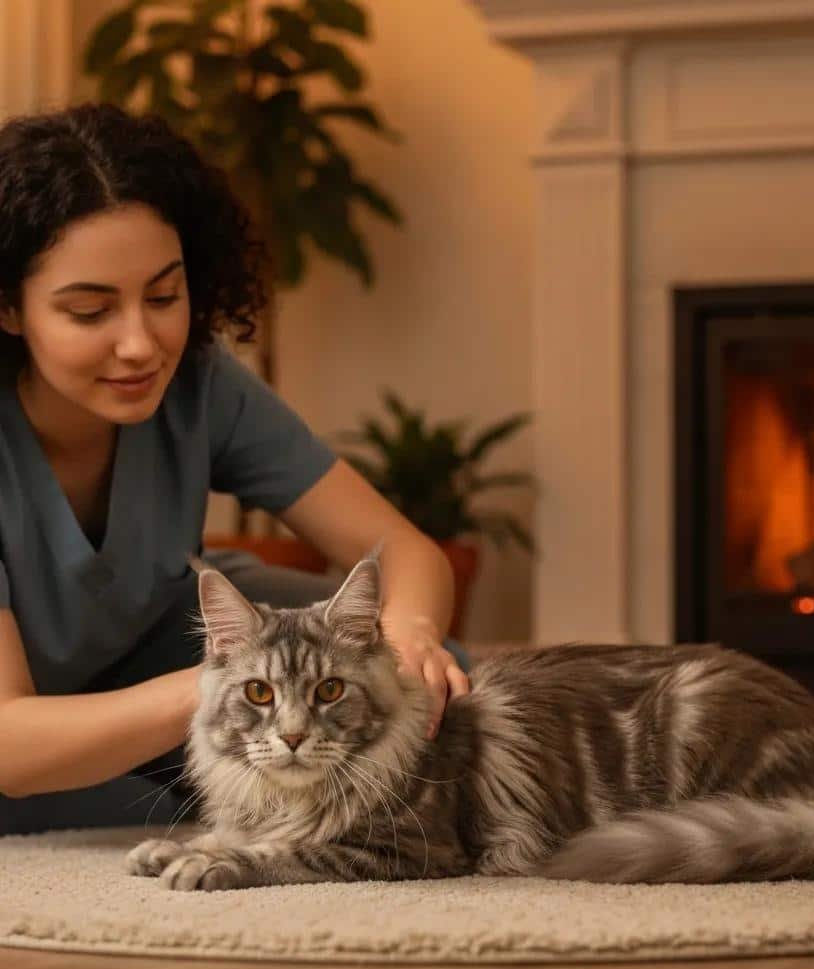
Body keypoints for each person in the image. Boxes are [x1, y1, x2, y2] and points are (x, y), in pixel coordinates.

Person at [0, 103, 471, 836]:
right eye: (91, 312)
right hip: (28, 742)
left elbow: (404, 551)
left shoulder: (198, 380)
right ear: (8, 307)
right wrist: (239, 687)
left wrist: (408, 636)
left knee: (438, 678)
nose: (140, 344)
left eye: (164, 296)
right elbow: (10, 744)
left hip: (159, 657)